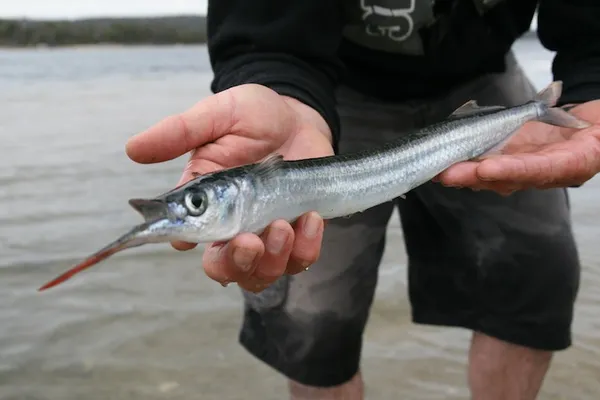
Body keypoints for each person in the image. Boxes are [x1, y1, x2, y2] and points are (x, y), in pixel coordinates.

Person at [125, 0, 600, 398]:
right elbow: (263, 21)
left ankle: (537, 110)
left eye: (196, 206)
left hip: (479, 73)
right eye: (198, 206)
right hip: (323, 87)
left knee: (536, 277)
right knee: (309, 325)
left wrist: (593, 78)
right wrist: (275, 82)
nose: (192, 213)